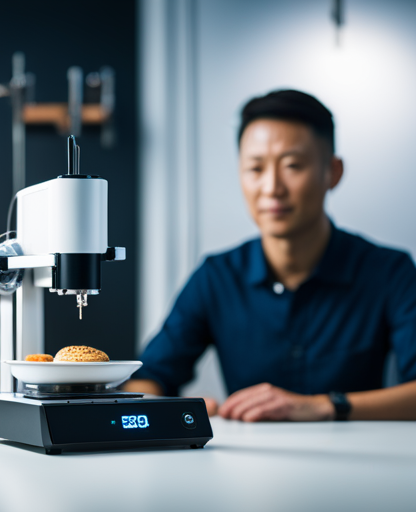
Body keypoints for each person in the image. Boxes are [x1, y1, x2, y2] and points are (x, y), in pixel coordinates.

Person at [125, 89, 416, 422]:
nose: (272, 187)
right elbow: (150, 377)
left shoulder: (389, 272)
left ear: (332, 173)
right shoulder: (217, 277)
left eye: (292, 165)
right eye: (255, 168)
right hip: (247, 470)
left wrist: (324, 406)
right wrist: (162, 408)